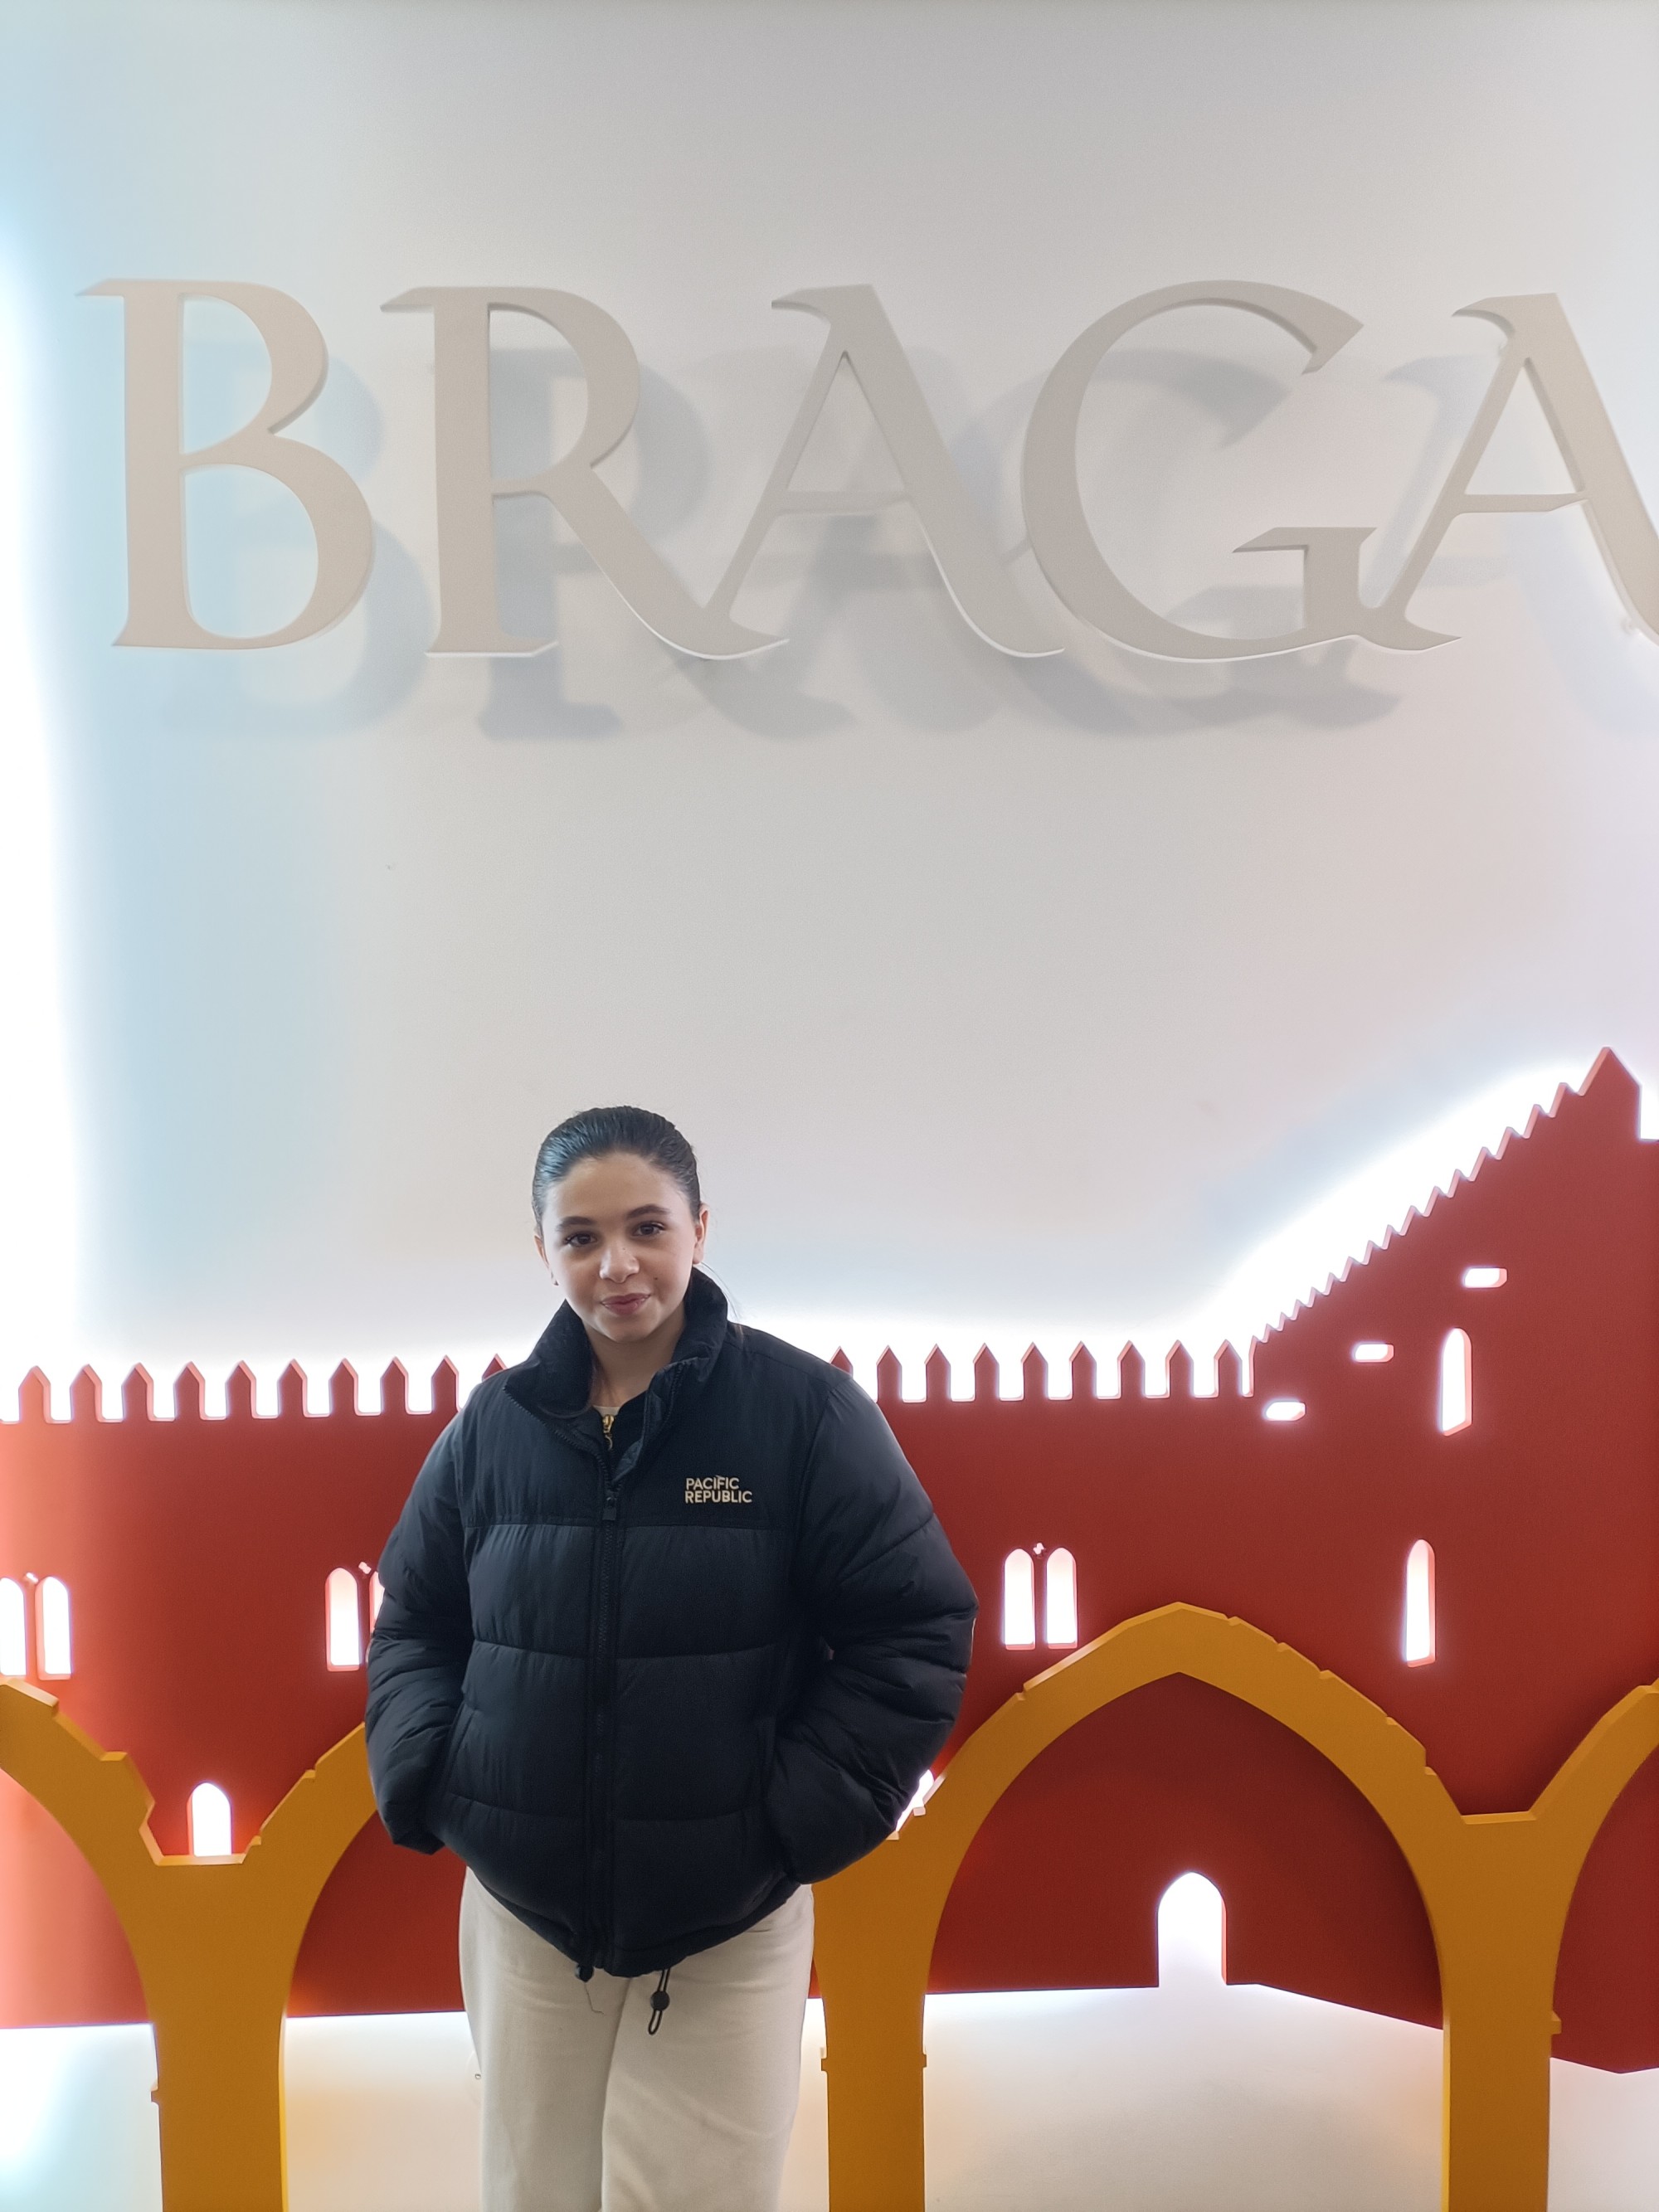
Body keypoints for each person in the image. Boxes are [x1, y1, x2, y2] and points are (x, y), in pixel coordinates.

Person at [365, 1106, 977, 2212]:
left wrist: (787, 1824)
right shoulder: (492, 1428)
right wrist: (441, 1782)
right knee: (532, 2194)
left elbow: (914, 1626)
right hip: (523, 1912)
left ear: (700, 1227)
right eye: (582, 1236)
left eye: (647, 1227)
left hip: (726, 1919)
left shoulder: (803, 1414)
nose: (619, 1266)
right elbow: (416, 1619)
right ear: (543, 1249)